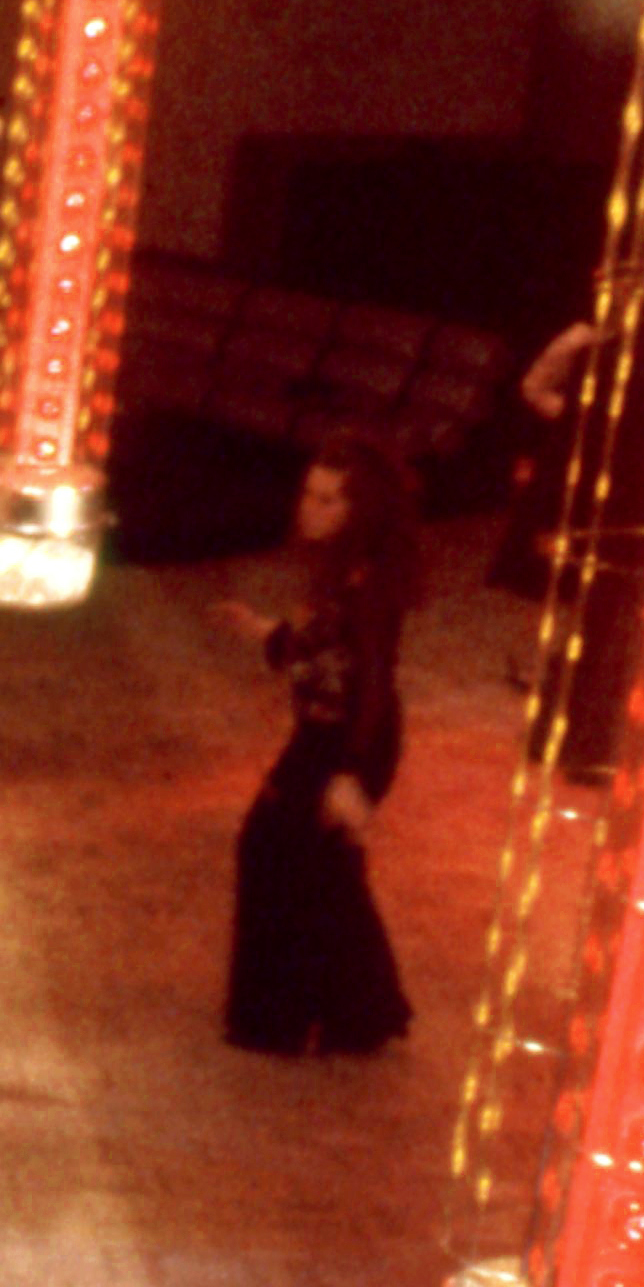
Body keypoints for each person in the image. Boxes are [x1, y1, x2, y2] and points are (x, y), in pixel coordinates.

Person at [215, 432, 421, 1057]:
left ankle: (280, 1018)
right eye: (310, 494)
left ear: (360, 511)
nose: (312, 508)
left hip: (345, 743)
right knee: (321, 874)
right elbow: (320, 650)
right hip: (326, 735)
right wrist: (265, 632)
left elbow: (372, 682)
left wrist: (352, 774)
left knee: (272, 850)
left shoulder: (369, 587)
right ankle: (358, 1016)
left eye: (330, 500)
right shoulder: (339, 573)